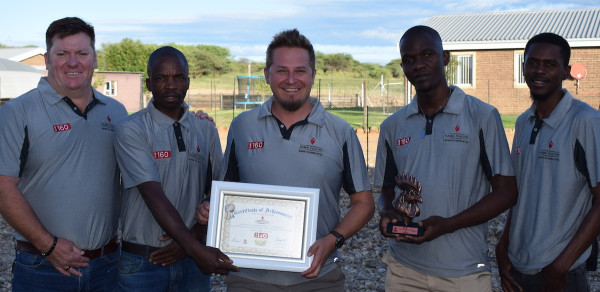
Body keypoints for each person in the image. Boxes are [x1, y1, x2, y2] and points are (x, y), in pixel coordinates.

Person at [196, 28, 375, 291]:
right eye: (281, 70)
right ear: (267, 75)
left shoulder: (341, 132)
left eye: (300, 70)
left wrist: (333, 240)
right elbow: (227, 195)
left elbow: (364, 203)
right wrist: (209, 209)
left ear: (313, 75)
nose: (291, 79)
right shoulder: (242, 126)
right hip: (249, 278)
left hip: (318, 278)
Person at [373, 25, 518, 291]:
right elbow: (386, 188)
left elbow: (507, 193)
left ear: (446, 58)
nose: (418, 65)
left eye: (427, 54)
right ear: (403, 67)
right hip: (403, 269)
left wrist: (447, 225)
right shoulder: (392, 126)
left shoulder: (482, 116)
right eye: (409, 59)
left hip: (463, 271)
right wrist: (388, 212)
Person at [0, 17, 127, 291]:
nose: (73, 62)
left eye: (82, 53)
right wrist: (49, 246)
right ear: (47, 59)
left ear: (94, 58)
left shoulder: (116, 113)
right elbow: (2, 186)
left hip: (107, 265)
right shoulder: (17, 112)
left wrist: (192, 120)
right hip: (43, 267)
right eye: (62, 54)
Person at [113, 46, 238, 291]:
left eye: (178, 77)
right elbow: (152, 194)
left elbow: (219, 192)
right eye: (161, 78)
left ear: (188, 82)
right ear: (148, 84)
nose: (171, 85)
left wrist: (192, 241)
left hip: (191, 262)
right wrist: (194, 248)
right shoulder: (131, 129)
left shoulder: (205, 128)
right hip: (143, 262)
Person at [495, 33, 600, 292]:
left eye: (550, 64)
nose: (539, 70)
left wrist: (561, 266)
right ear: (523, 67)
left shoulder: (585, 121)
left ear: (566, 71)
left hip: (560, 274)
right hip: (518, 267)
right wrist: (503, 245)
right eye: (532, 63)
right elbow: (521, 193)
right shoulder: (522, 122)